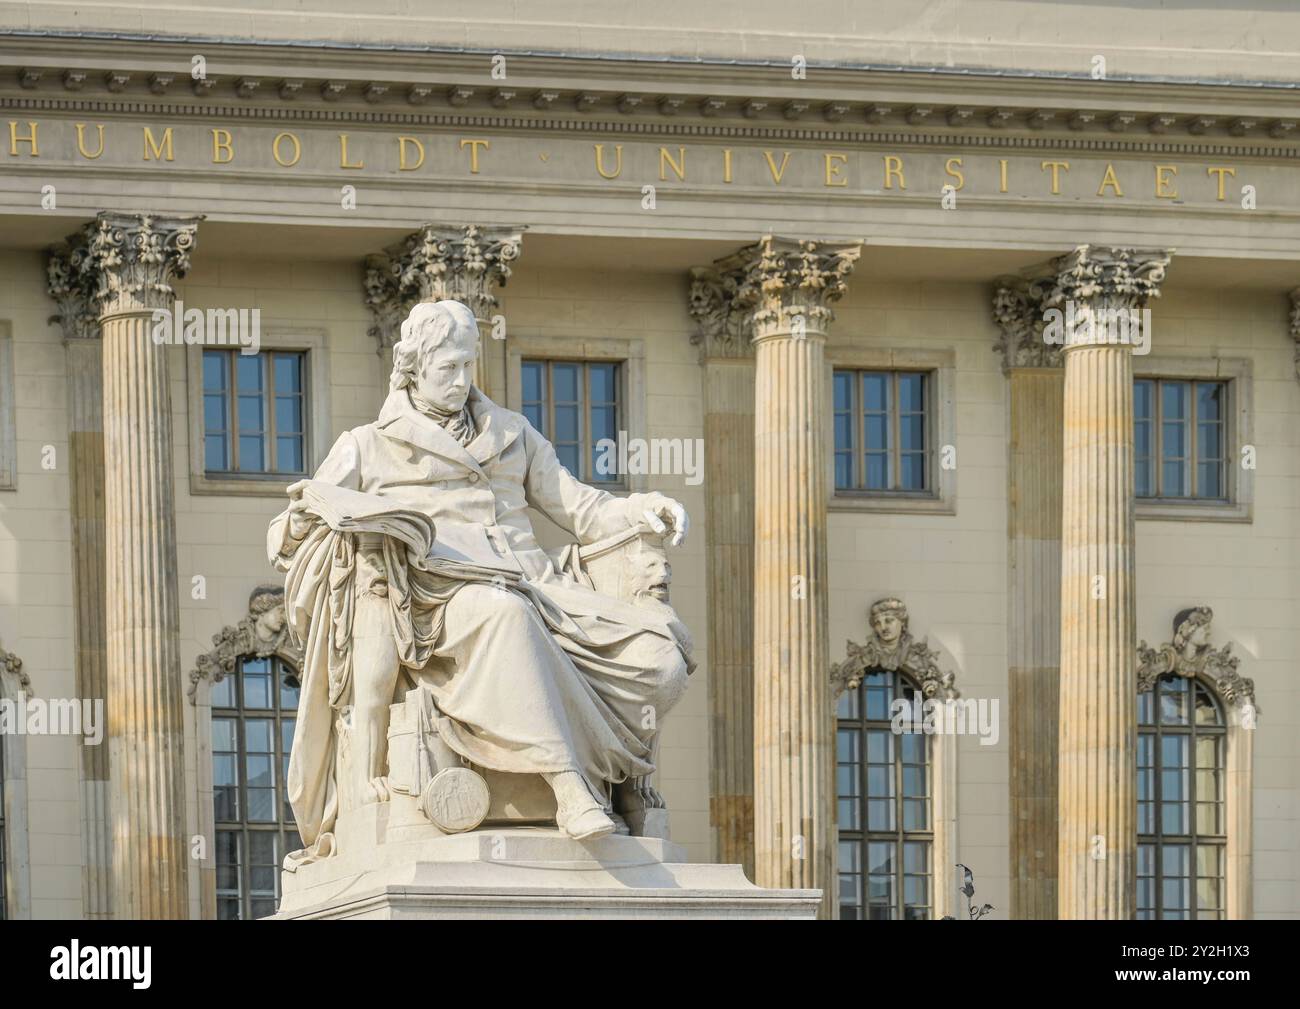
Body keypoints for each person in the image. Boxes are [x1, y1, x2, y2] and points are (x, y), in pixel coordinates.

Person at [268, 300, 694, 860]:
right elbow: (283, 538)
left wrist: (640, 507)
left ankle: (621, 776)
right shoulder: (367, 443)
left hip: (539, 586)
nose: (462, 380)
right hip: (434, 598)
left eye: (469, 365)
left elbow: (580, 507)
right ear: (413, 367)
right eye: (448, 368)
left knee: (660, 648)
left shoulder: (512, 432)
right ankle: (568, 783)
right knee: (503, 614)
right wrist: (304, 514)